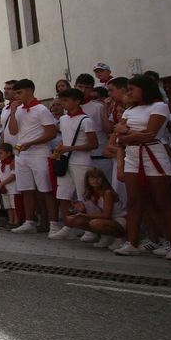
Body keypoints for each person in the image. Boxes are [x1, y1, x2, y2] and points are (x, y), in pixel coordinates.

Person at [113, 75, 171, 259]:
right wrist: (131, 136)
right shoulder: (129, 111)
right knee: (135, 201)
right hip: (133, 156)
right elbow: (120, 139)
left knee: (163, 201)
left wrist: (127, 133)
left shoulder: (159, 106)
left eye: (132, 89)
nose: (129, 93)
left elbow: (150, 134)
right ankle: (132, 242)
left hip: (154, 154)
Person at [7, 79, 61, 235]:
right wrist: (12, 112)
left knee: (46, 190)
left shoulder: (41, 109)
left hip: (39, 152)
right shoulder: (18, 110)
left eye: (19, 92)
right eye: (15, 93)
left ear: (29, 91)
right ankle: (29, 221)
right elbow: (13, 131)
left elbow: (51, 133)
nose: (16, 96)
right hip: (22, 154)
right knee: (26, 189)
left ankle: (53, 224)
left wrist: (31, 143)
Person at [50, 88, 98, 240]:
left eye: (66, 100)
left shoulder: (86, 120)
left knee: (84, 194)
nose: (64, 103)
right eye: (62, 100)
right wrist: (61, 149)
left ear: (77, 101)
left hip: (81, 161)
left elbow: (93, 144)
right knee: (63, 193)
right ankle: (68, 225)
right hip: (66, 159)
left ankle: (91, 228)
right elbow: (67, 139)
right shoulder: (63, 119)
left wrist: (70, 148)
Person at [64, 167, 126, 249]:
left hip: (119, 220)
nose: (95, 180)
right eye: (92, 178)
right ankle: (106, 237)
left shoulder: (107, 193)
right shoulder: (90, 193)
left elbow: (107, 215)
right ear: (88, 180)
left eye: (98, 178)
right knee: (72, 220)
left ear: (103, 179)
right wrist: (82, 209)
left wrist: (82, 215)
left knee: (95, 223)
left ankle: (119, 238)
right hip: (106, 220)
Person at [0, 143, 19, 228]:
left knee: (14, 206)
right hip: (4, 189)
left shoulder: (11, 164)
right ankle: (10, 221)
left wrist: (2, 183)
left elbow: (13, 176)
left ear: (9, 153)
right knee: (8, 206)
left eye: (1, 153)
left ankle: (16, 222)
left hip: (13, 189)